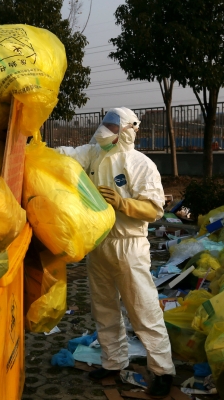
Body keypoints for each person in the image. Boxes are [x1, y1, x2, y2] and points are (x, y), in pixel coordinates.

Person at [56, 107, 175, 398]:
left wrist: (123, 205)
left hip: (129, 246)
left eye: (112, 125)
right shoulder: (94, 153)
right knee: (104, 308)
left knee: (142, 310)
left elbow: (154, 209)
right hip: (100, 245)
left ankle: (162, 370)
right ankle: (113, 362)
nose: (104, 129)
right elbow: (67, 155)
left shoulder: (140, 164)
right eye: (105, 123)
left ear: (128, 130)